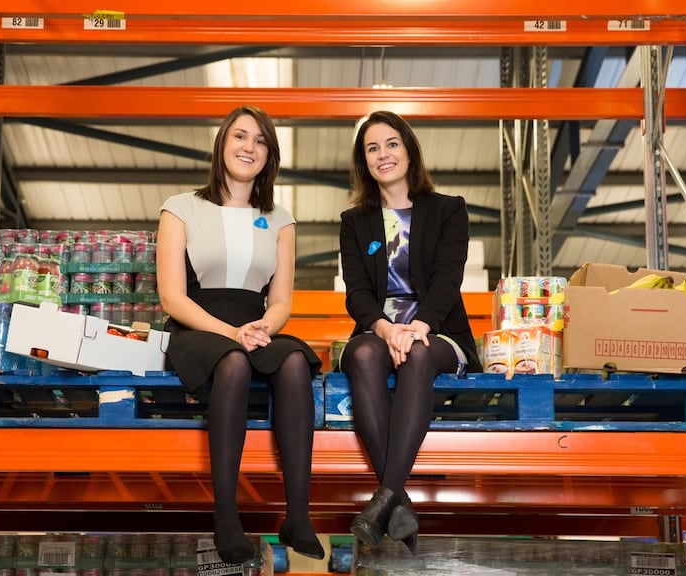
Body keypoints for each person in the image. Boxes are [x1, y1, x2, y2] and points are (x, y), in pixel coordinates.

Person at [157, 105, 325, 564]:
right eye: (240, 137)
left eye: (260, 141)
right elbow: (172, 298)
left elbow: (282, 302)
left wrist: (260, 330)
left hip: (256, 325)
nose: (249, 147)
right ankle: (227, 517)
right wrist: (232, 333)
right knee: (230, 361)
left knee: (294, 360)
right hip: (199, 325)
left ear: (269, 155)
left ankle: (297, 514)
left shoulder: (280, 219)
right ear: (222, 144)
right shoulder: (181, 208)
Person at [338, 110, 484, 554]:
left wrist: (419, 326)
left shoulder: (447, 210)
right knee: (361, 355)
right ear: (365, 162)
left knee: (420, 355)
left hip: (436, 328)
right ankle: (397, 501)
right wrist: (385, 330)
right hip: (380, 329)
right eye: (372, 148)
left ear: (409, 149)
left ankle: (384, 496)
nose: (383, 154)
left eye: (391, 144)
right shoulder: (354, 221)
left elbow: (447, 278)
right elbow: (357, 295)